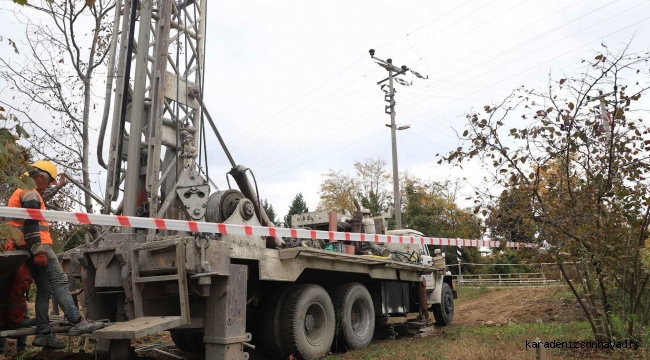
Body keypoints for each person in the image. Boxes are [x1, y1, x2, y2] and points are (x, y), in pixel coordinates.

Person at [7, 160, 104, 349]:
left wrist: (58, 186)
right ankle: (77, 322)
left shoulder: (24, 191)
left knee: (44, 289)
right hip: (38, 245)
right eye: (48, 182)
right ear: (40, 177)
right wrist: (39, 251)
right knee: (59, 282)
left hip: (24, 247)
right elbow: (32, 224)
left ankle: (44, 333)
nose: (47, 186)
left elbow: (39, 203)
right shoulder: (30, 193)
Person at [0, 241, 32, 358]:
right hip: (14, 298)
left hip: (15, 298)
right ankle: (8, 350)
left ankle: (19, 349)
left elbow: (24, 283)